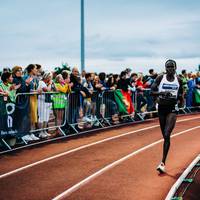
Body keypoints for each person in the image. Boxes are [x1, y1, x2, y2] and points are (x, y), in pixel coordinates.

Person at [151, 59, 183, 173]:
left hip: (172, 109)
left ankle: (163, 162)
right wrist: (161, 94)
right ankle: (163, 161)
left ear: (175, 68)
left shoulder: (179, 80)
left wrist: (180, 100)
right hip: (161, 108)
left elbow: (181, 94)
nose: (170, 69)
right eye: (168, 67)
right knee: (165, 137)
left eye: (172, 67)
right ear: (165, 68)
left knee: (167, 133)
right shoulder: (160, 78)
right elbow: (151, 92)